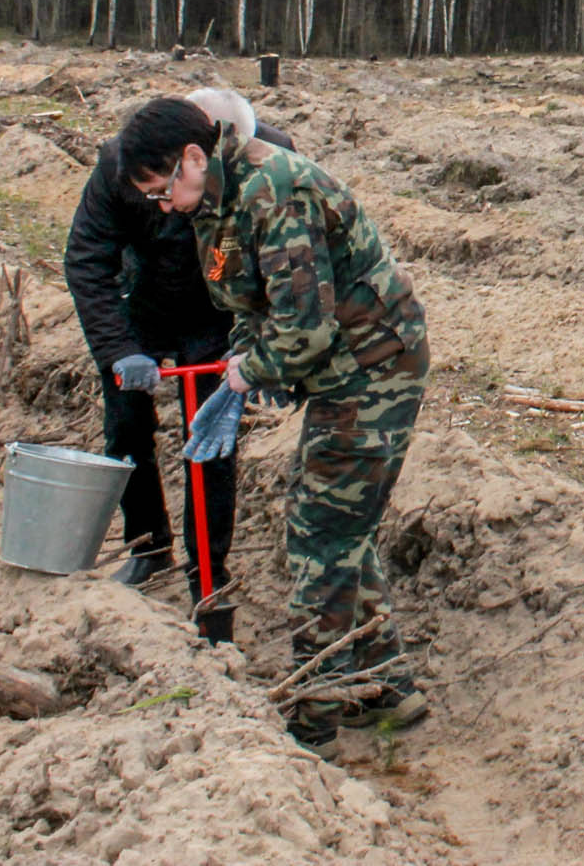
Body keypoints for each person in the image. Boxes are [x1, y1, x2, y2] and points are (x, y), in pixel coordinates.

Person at [115, 95, 431, 760]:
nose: (163, 206)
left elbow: (305, 329)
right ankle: (387, 686)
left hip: (375, 364)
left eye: (161, 188)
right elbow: (247, 296)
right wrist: (241, 353)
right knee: (335, 527)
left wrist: (249, 372)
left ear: (193, 157)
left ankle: (313, 723)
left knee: (319, 535)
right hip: (340, 365)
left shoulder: (272, 191)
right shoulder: (215, 204)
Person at [63, 88, 291, 640]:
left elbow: (281, 257)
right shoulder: (125, 164)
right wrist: (120, 351)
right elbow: (87, 259)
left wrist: (256, 343)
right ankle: (149, 545)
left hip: (219, 312)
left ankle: (208, 575)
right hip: (143, 307)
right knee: (124, 427)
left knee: (211, 443)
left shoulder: (268, 157)